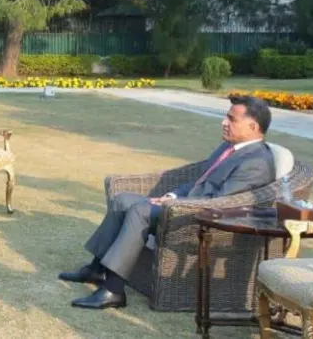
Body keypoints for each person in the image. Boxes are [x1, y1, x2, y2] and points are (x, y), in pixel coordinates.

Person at [60, 94, 276, 310]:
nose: (223, 122)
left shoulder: (256, 162)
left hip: (205, 220)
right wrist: (172, 196)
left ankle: (113, 290)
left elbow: (220, 202)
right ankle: (97, 268)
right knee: (122, 200)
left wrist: (174, 204)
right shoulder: (229, 147)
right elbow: (200, 180)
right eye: (225, 117)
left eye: (231, 119)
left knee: (141, 210)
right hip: (186, 205)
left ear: (252, 126)